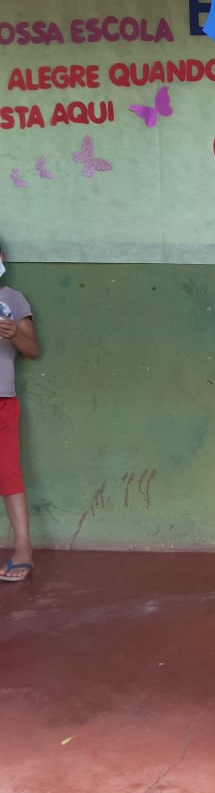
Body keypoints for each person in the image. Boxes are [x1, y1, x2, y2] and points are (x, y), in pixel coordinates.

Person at [0, 240, 40, 582]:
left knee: (8, 473)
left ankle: (23, 548)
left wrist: (14, 334)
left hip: (3, 400)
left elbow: (32, 349)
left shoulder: (13, 300)